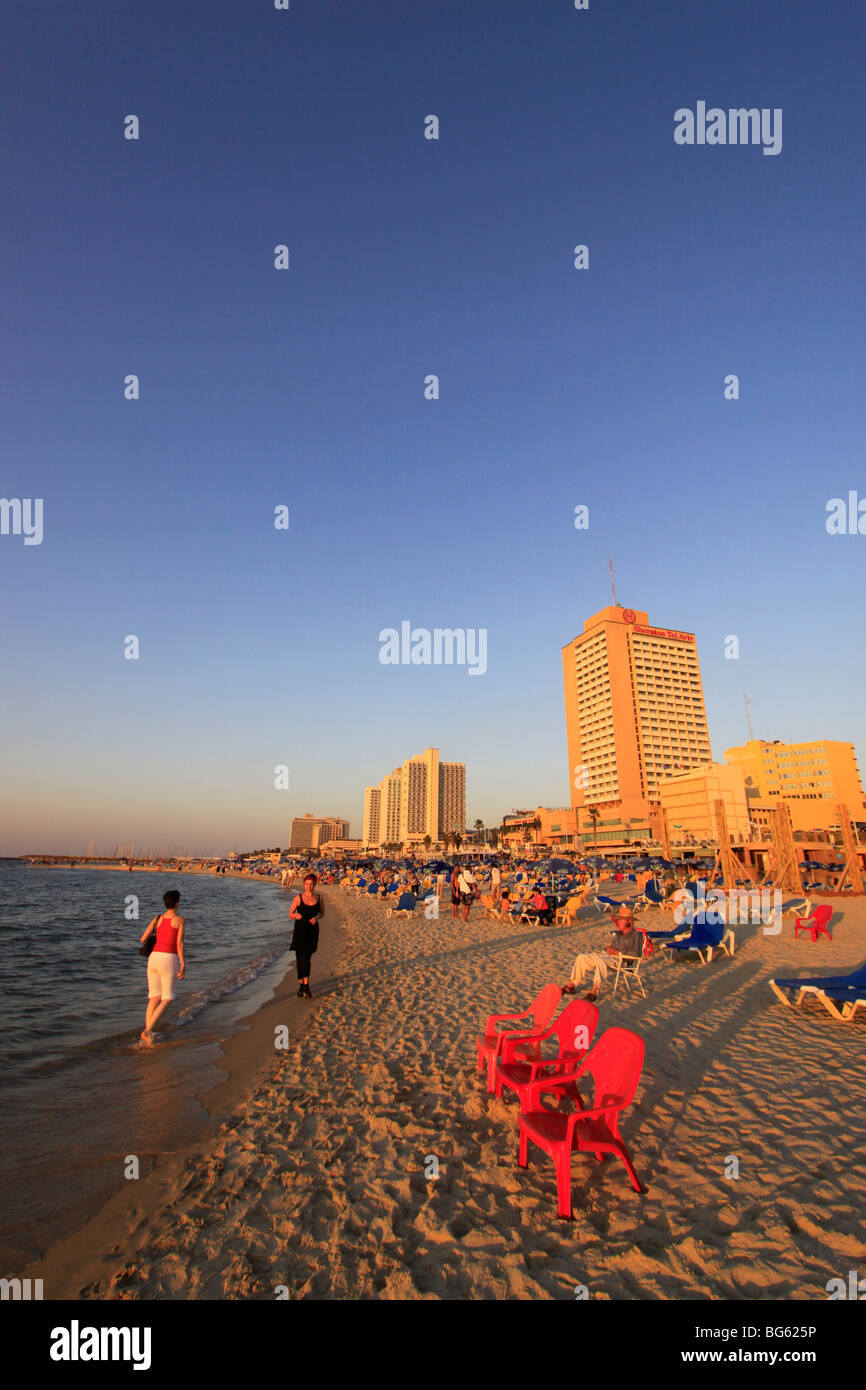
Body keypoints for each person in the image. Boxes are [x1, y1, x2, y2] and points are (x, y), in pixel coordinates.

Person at [139, 889, 186, 1047]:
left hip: (153, 958)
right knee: (167, 998)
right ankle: (147, 1031)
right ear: (177, 904)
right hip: (168, 958)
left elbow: (143, 939)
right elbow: (179, 944)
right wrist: (183, 964)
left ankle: (148, 1035)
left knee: (154, 998)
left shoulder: (157, 918)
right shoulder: (180, 920)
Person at [289, 873, 324, 998]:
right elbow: (290, 914)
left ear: (315, 885)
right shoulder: (298, 898)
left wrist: (316, 918)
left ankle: (306, 985)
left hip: (312, 930)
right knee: (299, 958)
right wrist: (296, 915)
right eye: (307, 884)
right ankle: (302, 986)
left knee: (306, 958)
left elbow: (322, 914)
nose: (309, 886)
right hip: (299, 930)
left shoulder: (319, 898)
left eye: (311, 884)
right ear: (304, 885)